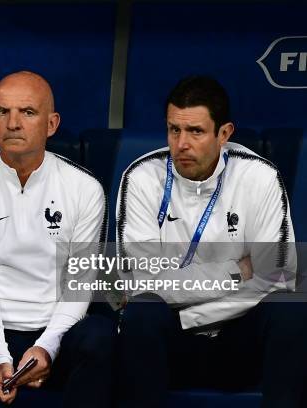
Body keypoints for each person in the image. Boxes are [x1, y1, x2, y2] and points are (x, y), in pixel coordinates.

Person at [116, 75, 307, 407]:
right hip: (168, 342)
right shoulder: (142, 177)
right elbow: (138, 285)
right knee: (142, 313)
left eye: (196, 132)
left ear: (224, 134)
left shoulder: (259, 177)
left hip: (239, 343)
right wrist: (235, 271)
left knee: (292, 310)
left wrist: (192, 312)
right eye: (174, 130)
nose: (182, 144)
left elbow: (278, 277)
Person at [0, 71, 116, 407]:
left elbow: (81, 283)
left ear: (51, 123)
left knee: (99, 338)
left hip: (57, 330)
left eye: (28, 112)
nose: (13, 123)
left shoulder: (84, 188)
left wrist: (47, 347)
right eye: (3, 112)